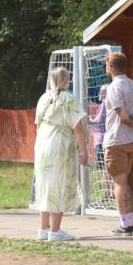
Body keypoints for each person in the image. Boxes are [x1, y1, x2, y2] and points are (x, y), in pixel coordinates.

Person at [34, 68, 88, 241]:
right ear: (67, 81)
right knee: (59, 184)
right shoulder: (69, 99)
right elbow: (79, 128)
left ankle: (44, 228)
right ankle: (55, 231)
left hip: (42, 143)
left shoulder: (44, 98)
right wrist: (84, 150)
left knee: (45, 185)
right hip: (59, 145)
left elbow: (37, 124)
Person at [103, 51, 133, 236]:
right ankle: (130, 221)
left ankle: (127, 225)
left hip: (117, 139)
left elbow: (123, 117)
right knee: (125, 180)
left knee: (119, 182)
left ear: (111, 68)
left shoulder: (114, 87)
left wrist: (130, 120)